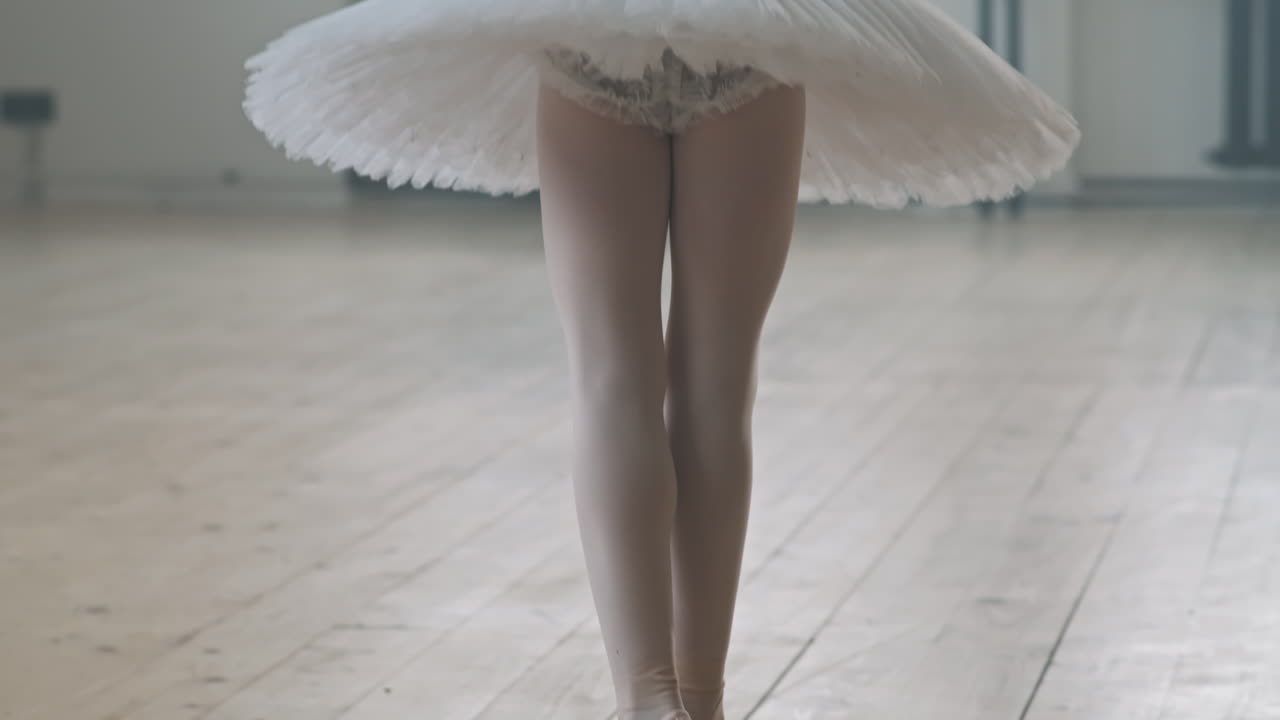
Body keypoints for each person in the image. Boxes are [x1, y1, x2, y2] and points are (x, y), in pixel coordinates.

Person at [244, 3, 1079, 718]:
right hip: (753, 35)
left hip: (596, 36)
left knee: (613, 379)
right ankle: (698, 698)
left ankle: (648, 697)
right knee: (715, 387)